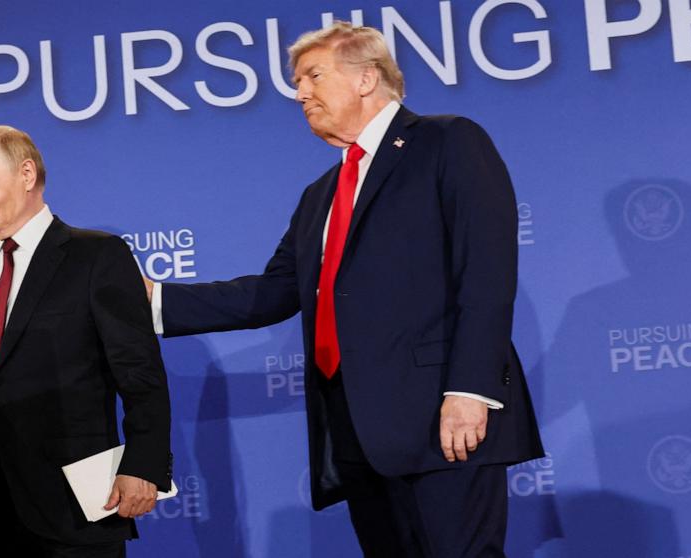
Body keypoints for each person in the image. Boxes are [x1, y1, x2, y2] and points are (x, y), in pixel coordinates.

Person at [145, 22, 543, 557]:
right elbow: (272, 292)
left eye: (312, 76)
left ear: (365, 78)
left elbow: (488, 271)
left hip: (442, 418)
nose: (300, 93)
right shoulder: (321, 196)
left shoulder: (447, 142)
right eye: (297, 81)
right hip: (357, 432)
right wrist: (151, 300)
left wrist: (470, 391)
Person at [0, 125, 172, 558]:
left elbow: (141, 374)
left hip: (78, 507)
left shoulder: (97, 256)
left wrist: (143, 465)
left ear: (26, 174)